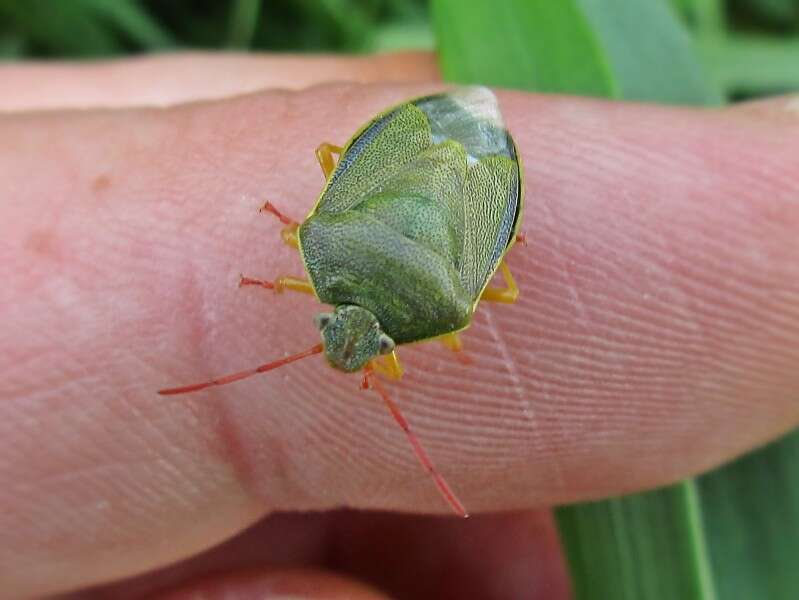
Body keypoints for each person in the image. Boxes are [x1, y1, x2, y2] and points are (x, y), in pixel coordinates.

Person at [1, 52, 797, 600]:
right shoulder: (340, 258)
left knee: (489, 282)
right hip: (448, 172)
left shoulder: (378, 279)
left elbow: (485, 278)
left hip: (461, 189)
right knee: (367, 199)